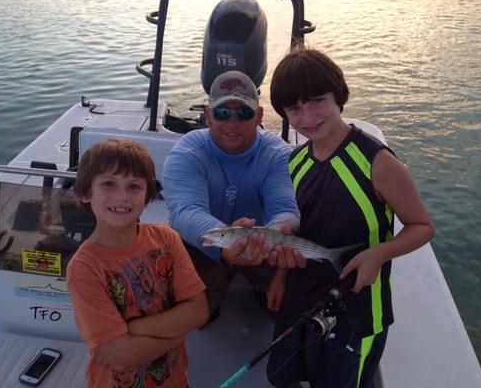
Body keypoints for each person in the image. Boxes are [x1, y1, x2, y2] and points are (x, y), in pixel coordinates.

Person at [266, 49, 435, 388]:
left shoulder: (378, 162)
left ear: (338, 96)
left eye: (317, 101)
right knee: (284, 373)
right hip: (302, 296)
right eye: (294, 108)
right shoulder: (295, 161)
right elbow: (300, 228)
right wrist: (280, 276)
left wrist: (379, 253)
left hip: (357, 303)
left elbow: (423, 227)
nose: (307, 116)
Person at [66, 139, 208, 388]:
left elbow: (198, 311)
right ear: (85, 192)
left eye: (134, 186)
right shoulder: (83, 267)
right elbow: (119, 356)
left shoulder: (167, 238)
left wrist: (134, 328)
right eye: (109, 184)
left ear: (147, 196)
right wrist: (178, 331)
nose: (122, 196)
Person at [162, 70, 303, 321]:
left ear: (259, 116)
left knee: (292, 302)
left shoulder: (279, 154)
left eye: (244, 113)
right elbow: (186, 212)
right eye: (223, 113)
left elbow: (285, 210)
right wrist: (228, 243)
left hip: (264, 246)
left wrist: (274, 248)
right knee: (195, 315)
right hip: (203, 245)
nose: (233, 122)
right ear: (207, 115)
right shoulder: (187, 152)